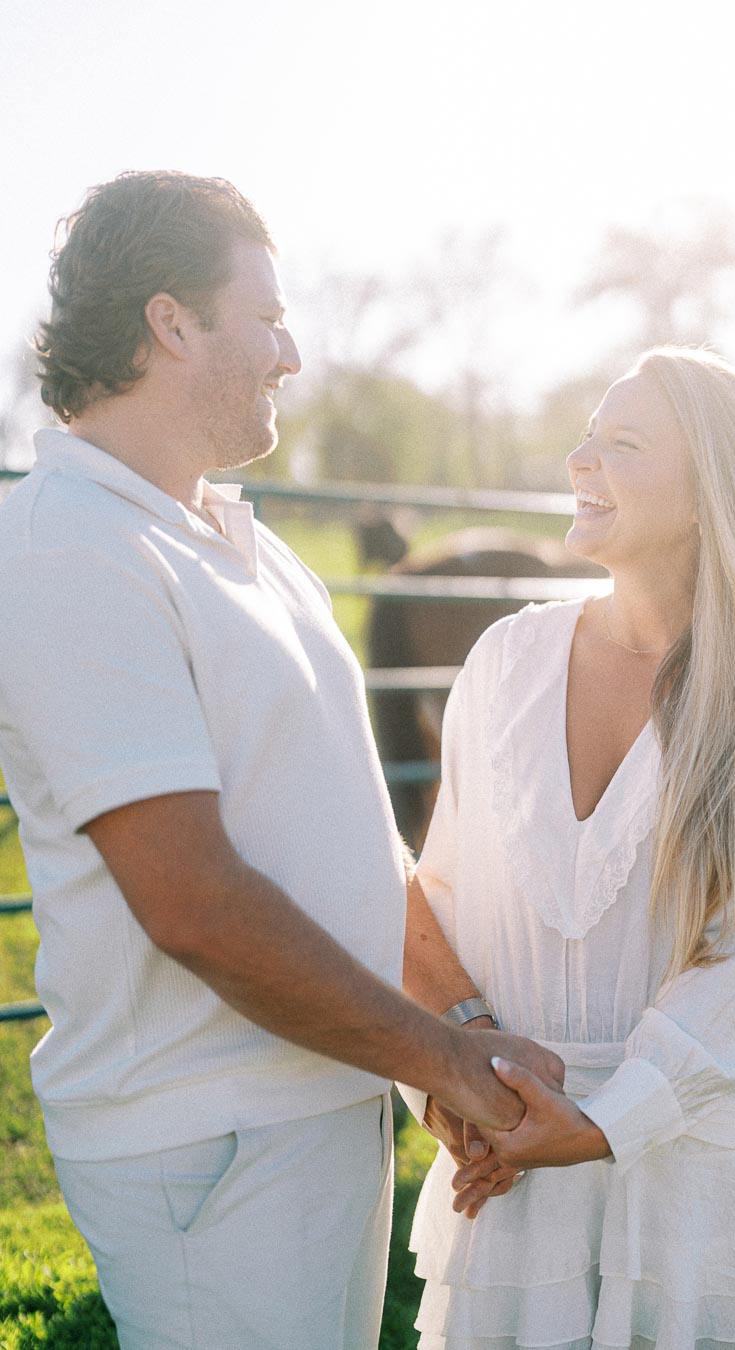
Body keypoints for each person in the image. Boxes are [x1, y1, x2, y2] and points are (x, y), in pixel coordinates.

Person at [0, 171, 563, 1350]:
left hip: (319, 1091)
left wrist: (452, 1023)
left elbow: (349, 839)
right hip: (213, 1140)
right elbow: (193, 902)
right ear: (171, 322)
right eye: (266, 316)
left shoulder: (239, 543)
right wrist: (449, 1064)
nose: (291, 352)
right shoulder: (75, 551)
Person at [402, 347, 735, 1350]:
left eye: (621, 443)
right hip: (512, 1166)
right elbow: (439, 892)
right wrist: (455, 1073)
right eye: (585, 434)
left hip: (703, 1179)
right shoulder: (506, 657)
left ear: (712, 492)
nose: (580, 460)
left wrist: (611, 1122)